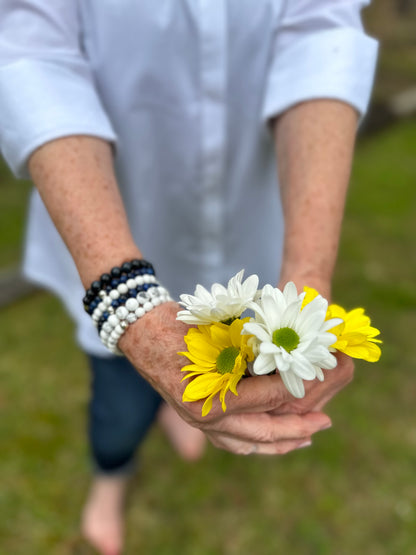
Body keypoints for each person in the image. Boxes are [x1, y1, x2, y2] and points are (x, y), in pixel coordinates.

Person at [0, 1, 378, 553]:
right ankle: (112, 474)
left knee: (225, 370)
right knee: (119, 404)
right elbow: (32, 54)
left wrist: (309, 278)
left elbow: (321, 38)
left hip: (248, 210)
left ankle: (185, 412)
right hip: (113, 209)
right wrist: (124, 298)